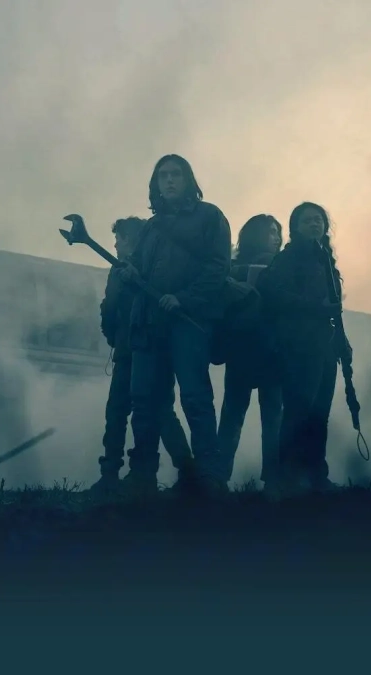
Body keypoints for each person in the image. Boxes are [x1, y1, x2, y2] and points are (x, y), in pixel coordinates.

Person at [118, 155, 231, 497]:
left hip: (187, 323)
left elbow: (218, 268)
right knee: (145, 400)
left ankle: (209, 477)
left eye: (176, 174)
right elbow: (140, 272)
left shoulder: (210, 217)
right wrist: (130, 274)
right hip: (149, 323)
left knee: (195, 398)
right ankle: (142, 476)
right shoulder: (151, 227)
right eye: (163, 175)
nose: (169, 180)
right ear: (155, 183)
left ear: (188, 180)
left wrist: (184, 298)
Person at [91, 216, 194, 494]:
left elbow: (109, 307)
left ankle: (114, 474)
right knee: (160, 411)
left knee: (119, 411)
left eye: (119, 239)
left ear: (130, 240)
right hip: (154, 348)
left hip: (132, 349)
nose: (115, 245)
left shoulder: (125, 271)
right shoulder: (156, 268)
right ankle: (187, 471)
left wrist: (113, 335)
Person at [256, 202, 351, 496]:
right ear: (295, 227)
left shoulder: (325, 260)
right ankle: (287, 478)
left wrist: (342, 343)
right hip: (297, 346)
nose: (314, 224)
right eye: (307, 220)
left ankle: (316, 477)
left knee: (319, 413)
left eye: (318, 220)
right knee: (298, 412)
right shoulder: (287, 259)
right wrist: (314, 308)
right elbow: (274, 294)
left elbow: (334, 309)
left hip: (324, 346)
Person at [217, 215, 283, 489]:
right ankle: (270, 481)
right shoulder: (235, 269)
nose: (276, 238)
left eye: (278, 232)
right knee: (263, 416)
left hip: (257, 350)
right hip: (254, 349)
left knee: (243, 416)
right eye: (271, 232)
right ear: (256, 235)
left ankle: (221, 478)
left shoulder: (233, 268)